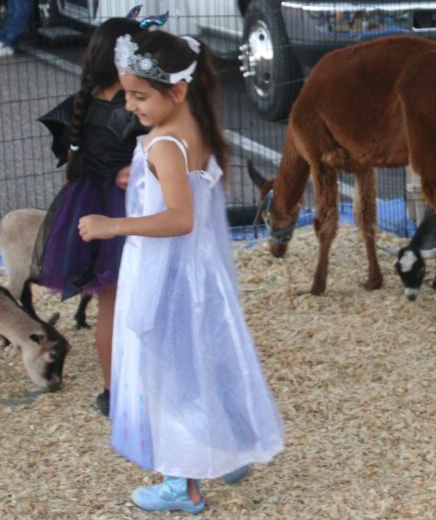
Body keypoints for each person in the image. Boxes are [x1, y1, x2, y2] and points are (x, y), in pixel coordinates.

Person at [79, 31, 284, 514]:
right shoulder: (198, 131)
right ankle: (226, 452)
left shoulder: (164, 144)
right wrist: (142, 178)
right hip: (198, 272)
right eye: (128, 94)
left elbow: (180, 217)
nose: (131, 106)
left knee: (167, 377)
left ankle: (183, 486)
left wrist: (114, 224)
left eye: (140, 96)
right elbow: (186, 190)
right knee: (198, 366)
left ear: (178, 90)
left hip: (166, 273)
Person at [33, 10, 164, 415]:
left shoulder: (79, 105)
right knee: (145, 303)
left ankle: (114, 392)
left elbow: (74, 156)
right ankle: (152, 387)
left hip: (87, 204)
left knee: (109, 305)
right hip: (127, 210)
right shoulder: (135, 108)